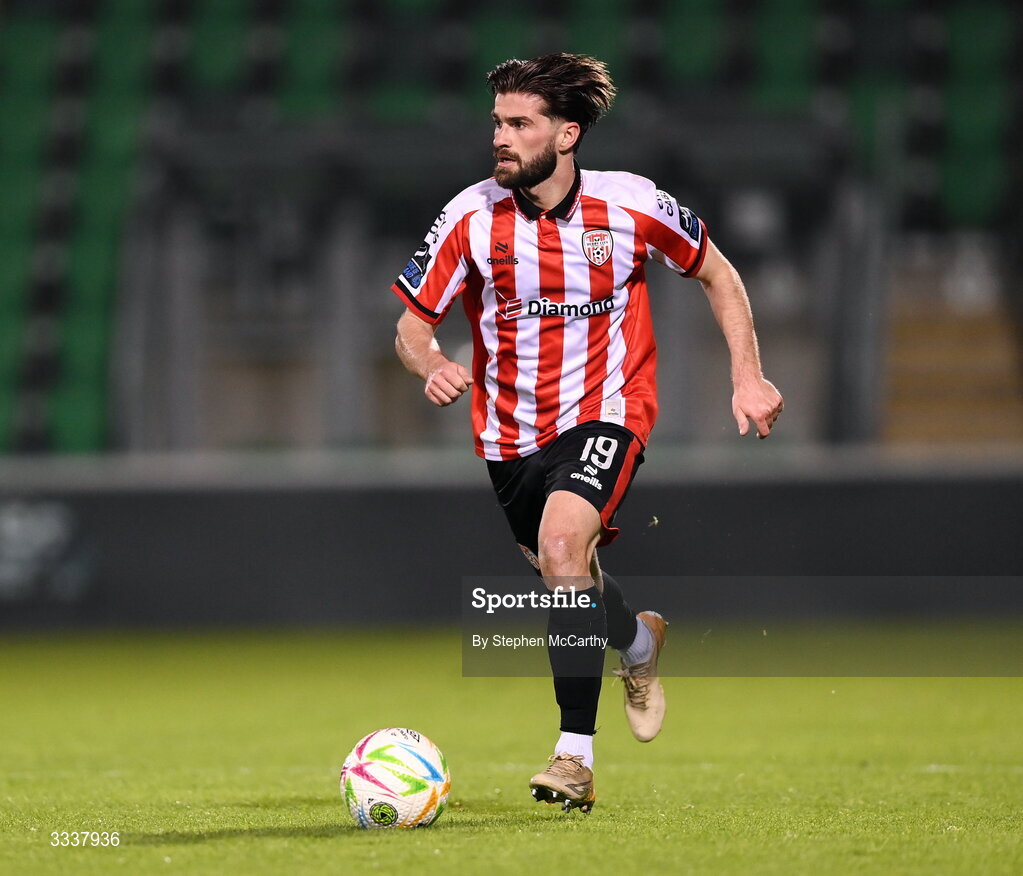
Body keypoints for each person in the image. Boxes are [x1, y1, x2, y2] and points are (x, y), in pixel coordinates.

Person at [392, 53, 783, 813]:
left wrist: (748, 375)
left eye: (519, 124)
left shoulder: (631, 204)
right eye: (497, 123)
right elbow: (410, 327)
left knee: (565, 548)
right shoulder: (469, 216)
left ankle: (573, 757)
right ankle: (637, 644)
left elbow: (716, 272)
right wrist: (429, 362)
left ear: (566, 133)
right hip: (508, 437)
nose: (499, 138)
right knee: (564, 576)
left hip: (609, 408)